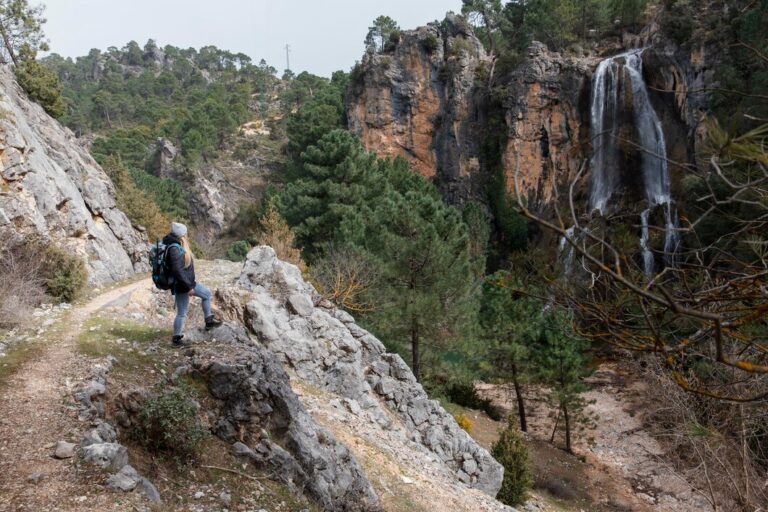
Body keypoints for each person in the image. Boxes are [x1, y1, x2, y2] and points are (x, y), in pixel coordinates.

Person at [163, 222, 221, 346]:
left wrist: (190, 284)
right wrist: (188, 288)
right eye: (185, 233)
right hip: (183, 286)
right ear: (182, 235)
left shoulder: (177, 245)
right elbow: (177, 271)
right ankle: (176, 339)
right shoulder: (174, 248)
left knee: (206, 294)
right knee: (182, 313)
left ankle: (209, 321)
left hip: (189, 283)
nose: (187, 235)